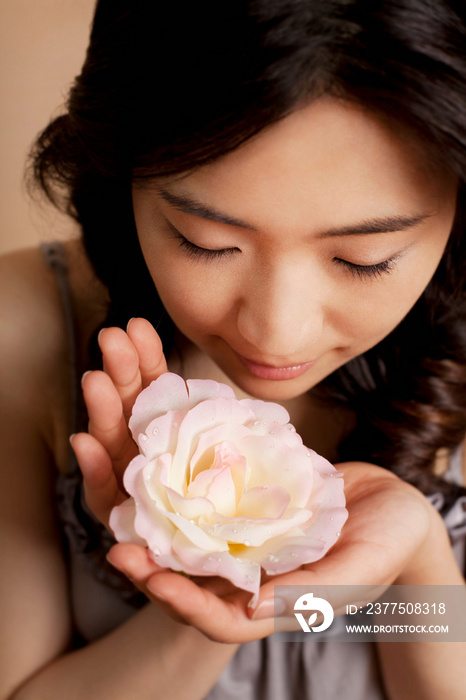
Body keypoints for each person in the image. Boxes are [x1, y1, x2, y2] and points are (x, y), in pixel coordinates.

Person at [1, 1, 466, 698]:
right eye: (206, 243)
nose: (277, 333)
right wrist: (205, 587)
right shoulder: (24, 327)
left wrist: (421, 556)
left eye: (365, 259)